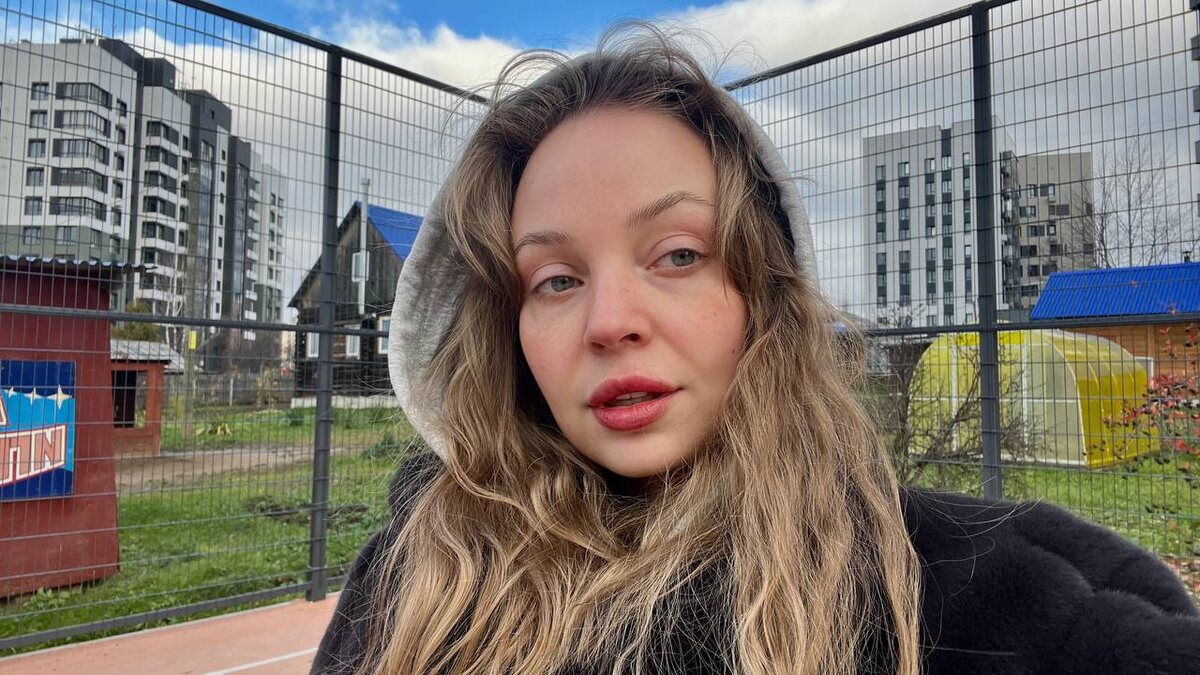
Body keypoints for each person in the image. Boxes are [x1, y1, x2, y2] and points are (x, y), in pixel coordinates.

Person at [312, 24, 1200, 675]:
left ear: (763, 294)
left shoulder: (975, 587)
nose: (609, 321)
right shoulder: (421, 577)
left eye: (678, 255)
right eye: (555, 278)